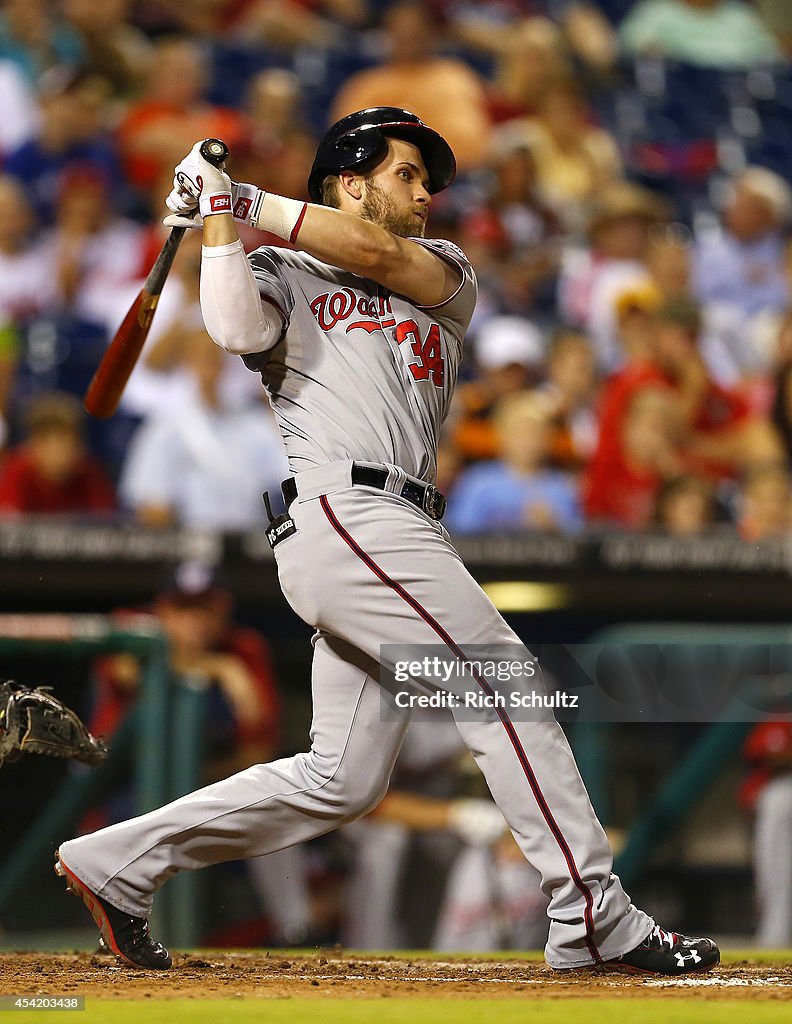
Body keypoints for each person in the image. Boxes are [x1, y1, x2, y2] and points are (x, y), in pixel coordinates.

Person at [53, 106, 719, 975]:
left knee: (344, 779)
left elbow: (377, 255)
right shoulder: (281, 269)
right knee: (505, 686)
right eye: (405, 175)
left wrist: (237, 194)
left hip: (396, 525)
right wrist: (219, 217)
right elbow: (235, 332)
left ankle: (116, 862)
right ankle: (591, 913)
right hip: (349, 514)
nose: (423, 193)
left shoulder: (443, 270)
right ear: (349, 180)